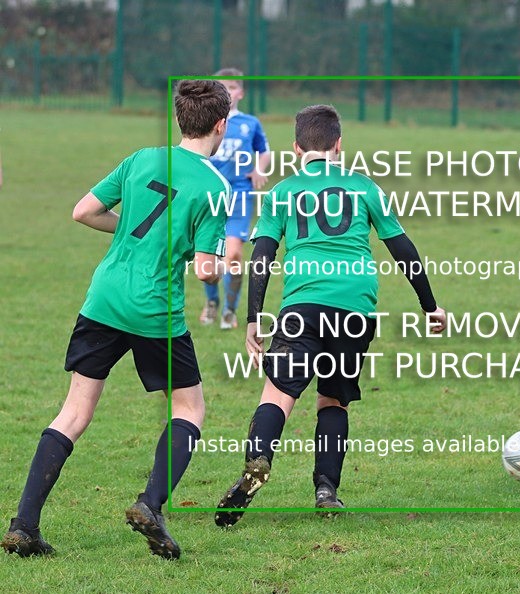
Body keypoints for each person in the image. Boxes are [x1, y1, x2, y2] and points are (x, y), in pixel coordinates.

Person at [1, 80, 231, 559]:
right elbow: (208, 268)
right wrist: (232, 260)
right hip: (154, 310)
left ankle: (23, 526)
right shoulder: (215, 186)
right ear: (221, 126)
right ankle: (151, 503)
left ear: (178, 120)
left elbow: (84, 212)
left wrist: (128, 229)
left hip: (103, 299)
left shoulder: (141, 157)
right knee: (189, 409)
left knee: (75, 412)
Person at [214, 104, 447, 526]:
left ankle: (258, 462)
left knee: (278, 395)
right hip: (355, 308)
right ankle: (326, 490)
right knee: (333, 399)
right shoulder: (365, 187)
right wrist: (430, 306)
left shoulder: (283, 192)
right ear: (339, 145)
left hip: (301, 306)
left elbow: (263, 255)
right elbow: (403, 250)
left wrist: (253, 317)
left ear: (297, 148)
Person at [200, 68, 270, 330]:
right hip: (210, 194)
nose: (227, 92)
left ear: (240, 92)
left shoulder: (250, 123)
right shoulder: (206, 121)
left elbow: (264, 152)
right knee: (208, 257)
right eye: (222, 87)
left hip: (240, 192)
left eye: (231, 87)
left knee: (234, 254)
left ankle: (229, 309)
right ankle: (212, 302)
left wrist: (259, 170)